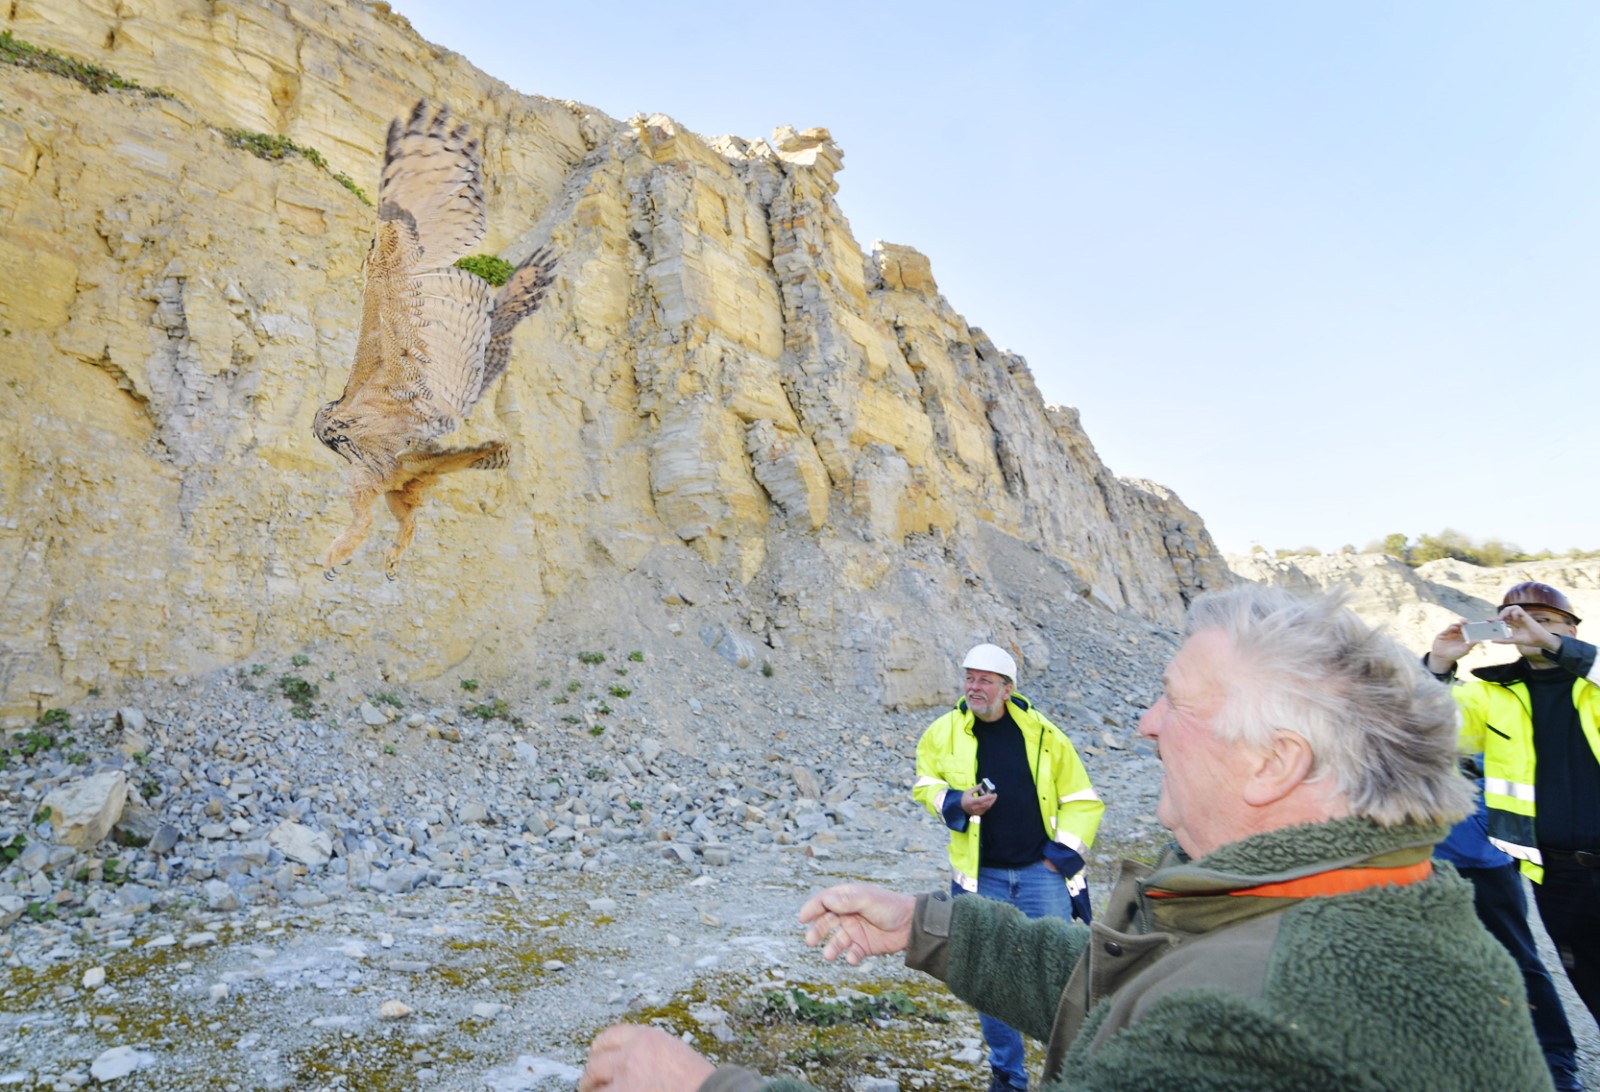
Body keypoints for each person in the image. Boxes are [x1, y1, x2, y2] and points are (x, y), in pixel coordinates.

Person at [578, 586, 1549, 1092]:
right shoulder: (1350, 902)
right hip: (979, 877)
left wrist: (710, 1085)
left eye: (1174, 702)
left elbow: (1171, 1002)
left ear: (1273, 763)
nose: (1145, 725)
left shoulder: (1256, 1022)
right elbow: (1132, 982)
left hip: (1037, 873)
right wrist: (927, 924)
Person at [909, 642, 1104, 1092]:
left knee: (1061, 973)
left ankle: (1072, 1072)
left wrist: (1059, 858)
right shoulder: (943, 732)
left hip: (1042, 875)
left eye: (985, 680)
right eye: (970, 678)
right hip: (982, 877)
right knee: (988, 977)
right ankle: (1009, 1077)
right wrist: (960, 802)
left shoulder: (1044, 734)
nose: (974, 687)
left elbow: (1082, 800)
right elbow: (926, 785)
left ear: (1007, 687)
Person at [1426, 581, 1600, 1040]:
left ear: (1571, 629)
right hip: (1559, 877)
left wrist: (1554, 647)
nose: (1527, 627)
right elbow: (1426, 729)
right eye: (1514, 619)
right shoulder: (1492, 694)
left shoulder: (1592, 680)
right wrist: (1440, 664)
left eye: (1542, 619)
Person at [1434, 771, 1583, 1090]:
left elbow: (1499, 762)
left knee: (1516, 958)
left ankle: (1554, 1059)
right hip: (1401, 855)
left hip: (1475, 853)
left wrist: (1485, 827)